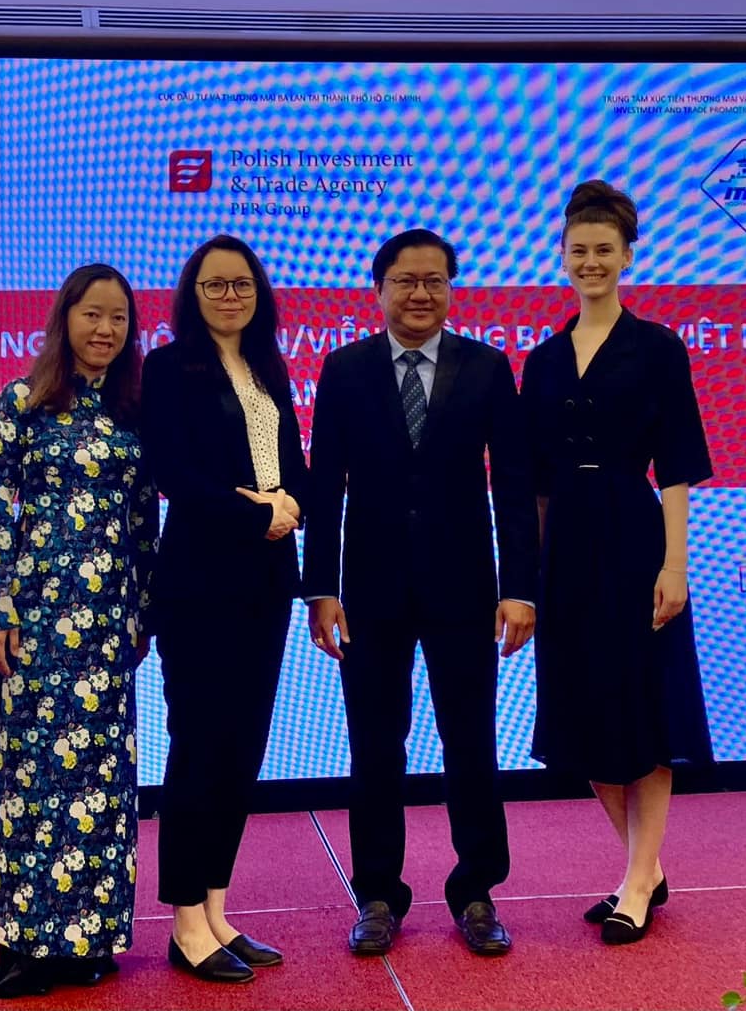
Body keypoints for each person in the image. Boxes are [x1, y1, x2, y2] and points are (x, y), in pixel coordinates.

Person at [304, 229, 536, 958]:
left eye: (435, 280)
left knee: (472, 741)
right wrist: (320, 588)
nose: (420, 294)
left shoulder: (487, 367)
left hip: (465, 586)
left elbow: (514, 485)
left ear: (451, 289)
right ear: (379, 290)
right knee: (375, 744)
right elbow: (324, 486)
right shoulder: (344, 369)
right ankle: (378, 894)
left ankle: (477, 892)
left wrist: (520, 588)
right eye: (405, 281)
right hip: (370, 589)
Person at [519, 180, 715, 946]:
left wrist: (675, 565)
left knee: (645, 713)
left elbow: (676, 467)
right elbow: (533, 482)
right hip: (564, 549)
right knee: (581, 717)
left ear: (628, 256)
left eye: (605, 250)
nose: (591, 262)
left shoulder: (658, 348)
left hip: (635, 540)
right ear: (562, 257)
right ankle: (647, 866)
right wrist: (528, 577)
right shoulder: (541, 361)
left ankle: (636, 883)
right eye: (579, 251)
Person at [0, 263, 155, 998]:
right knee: (32, 777)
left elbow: (144, 520)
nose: (105, 329)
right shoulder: (22, 400)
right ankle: (22, 945)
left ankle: (87, 937)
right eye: (92, 314)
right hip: (38, 618)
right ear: (64, 320)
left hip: (108, 622)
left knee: (98, 780)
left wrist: (144, 611)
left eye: (119, 317)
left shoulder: (135, 409)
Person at [141, 234, 309, 984]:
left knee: (242, 748)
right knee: (200, 746)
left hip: (266, 580)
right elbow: (172, 471)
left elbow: (292, 464)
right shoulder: (169, 367)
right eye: (215, 285)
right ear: (193, 293)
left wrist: (294, 504)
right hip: (200, 580)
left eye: (241, 284)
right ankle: (184, 923)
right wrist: (256, 514)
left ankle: (215, 908)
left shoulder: (268, 365)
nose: (230, 296)